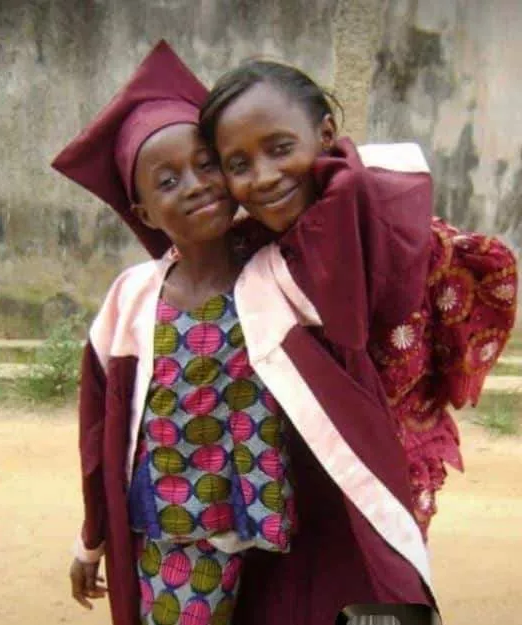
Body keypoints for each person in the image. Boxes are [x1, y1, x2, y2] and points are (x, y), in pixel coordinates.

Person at [53, 42, 438, 625]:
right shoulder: (130, 300)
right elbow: (97, 428)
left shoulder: (283, 269)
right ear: (145, 212)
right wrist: (92, 535)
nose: (196, 185)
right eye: (168, 179)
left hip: (271, 516)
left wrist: (318, 156)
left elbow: (363, 199)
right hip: (174, 533)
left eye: (209, 165)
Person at [199, 59, 518, 544]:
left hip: (392, 478)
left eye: (281, 148)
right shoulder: (245, 256)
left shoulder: (411, 237)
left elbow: (467, 314)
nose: (263, 177)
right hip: (292, 483)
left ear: (325, 133)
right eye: (238, 165)